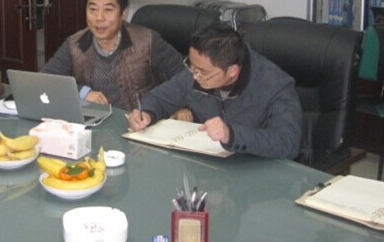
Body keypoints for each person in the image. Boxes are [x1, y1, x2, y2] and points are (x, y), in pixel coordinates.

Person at [127, 22, 301, 159]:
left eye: (202, 72)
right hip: (208, 165)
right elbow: (159, 98)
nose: (194, 75)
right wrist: (146, 113)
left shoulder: (276, 85)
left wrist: (232, 134)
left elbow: (288, 143)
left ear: (232, 71)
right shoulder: (198, 71)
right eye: (192, 66)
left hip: (256, 170)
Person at [42, 0, 184, 110]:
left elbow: (184, 76)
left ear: (123, 14)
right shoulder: (75, 44)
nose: (99, 18)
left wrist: (182, 107)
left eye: (108, 10)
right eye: (93, 9)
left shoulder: (147, 41)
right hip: (94, 120)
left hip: (140, 120)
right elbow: (45, 80)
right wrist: (83, 92)